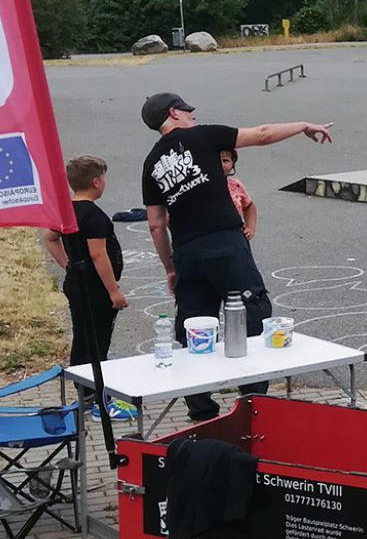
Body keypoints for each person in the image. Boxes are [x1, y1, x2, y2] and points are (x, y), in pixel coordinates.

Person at [140, 92, 332, 419]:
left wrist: (171, 268)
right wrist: (302, 125)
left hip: (187, 251)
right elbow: (262, 134)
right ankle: (252, 405)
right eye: (188, 111)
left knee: (192, 328)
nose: (193, 115)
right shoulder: (202, 136)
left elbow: (157, 225)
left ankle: (201, 409)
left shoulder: (151, 163)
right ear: (174, 113)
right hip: (226, 244)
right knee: (252, 314)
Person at [43, 155, 127, 368]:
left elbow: (50, 239)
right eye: (103, 178)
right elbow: (98, 255)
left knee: (82, 335)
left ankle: (84, 387)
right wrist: (113, 291)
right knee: (98, 340)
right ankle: (96, 389)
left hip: (76, 283)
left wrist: (68, 264)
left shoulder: (66, 212)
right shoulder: (94, 216)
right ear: (96, 182)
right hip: (95, 288)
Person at [220, 149, 257, 240]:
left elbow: (249, 206)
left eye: (225, 161)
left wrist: (250, 228)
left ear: (233, 164)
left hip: (235, 235)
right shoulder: (200, 185)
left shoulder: (236, 185)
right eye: (216, 161)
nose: (221, 165)